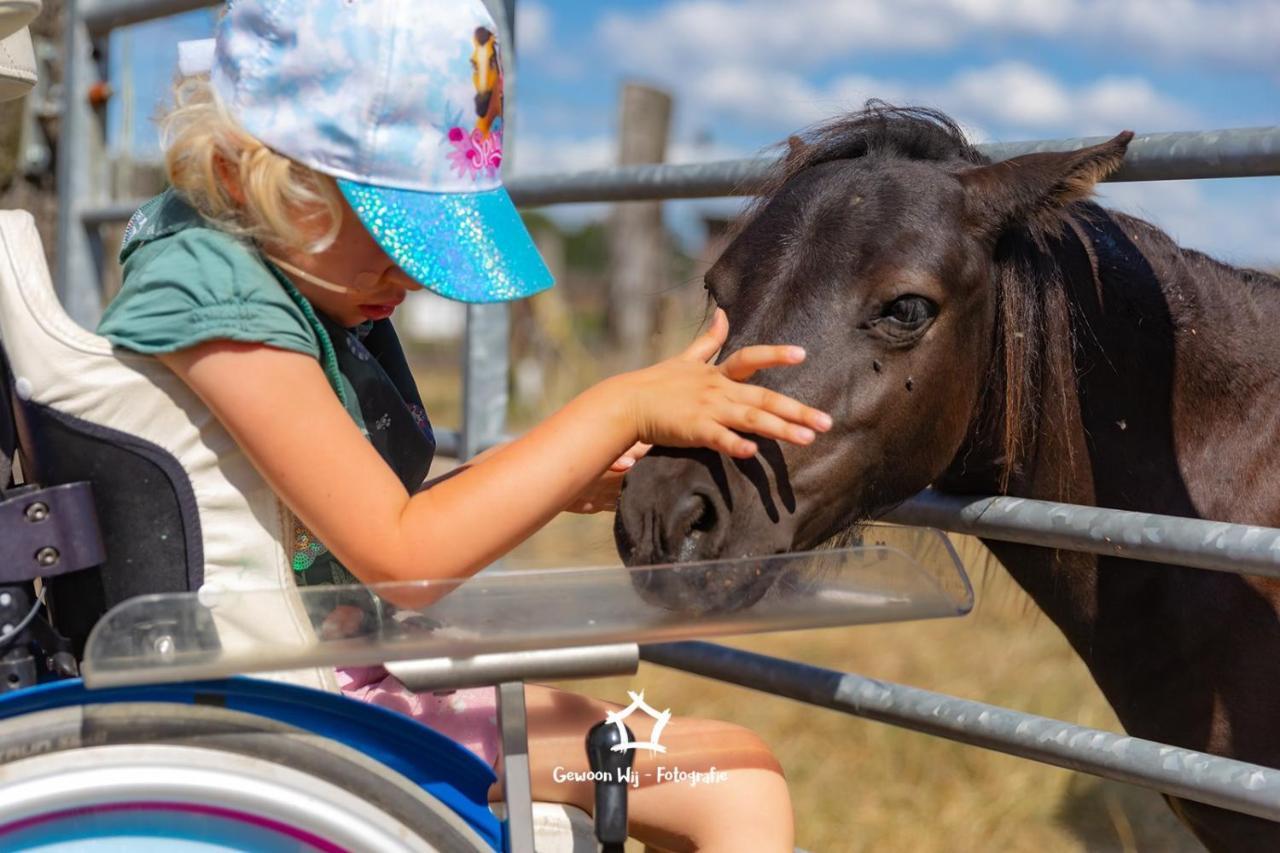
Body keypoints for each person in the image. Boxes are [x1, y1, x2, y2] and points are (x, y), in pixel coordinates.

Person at [97, 2, 831, 850]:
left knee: (729, 767)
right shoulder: (217, 297)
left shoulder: (266, 269)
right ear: (243, 175)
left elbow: (319, 527)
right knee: (732, 781)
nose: (409, 271)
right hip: (322, 718)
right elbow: (404, 557)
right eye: (386, 226)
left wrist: (552, 475)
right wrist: (617, 405)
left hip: (345, 682)